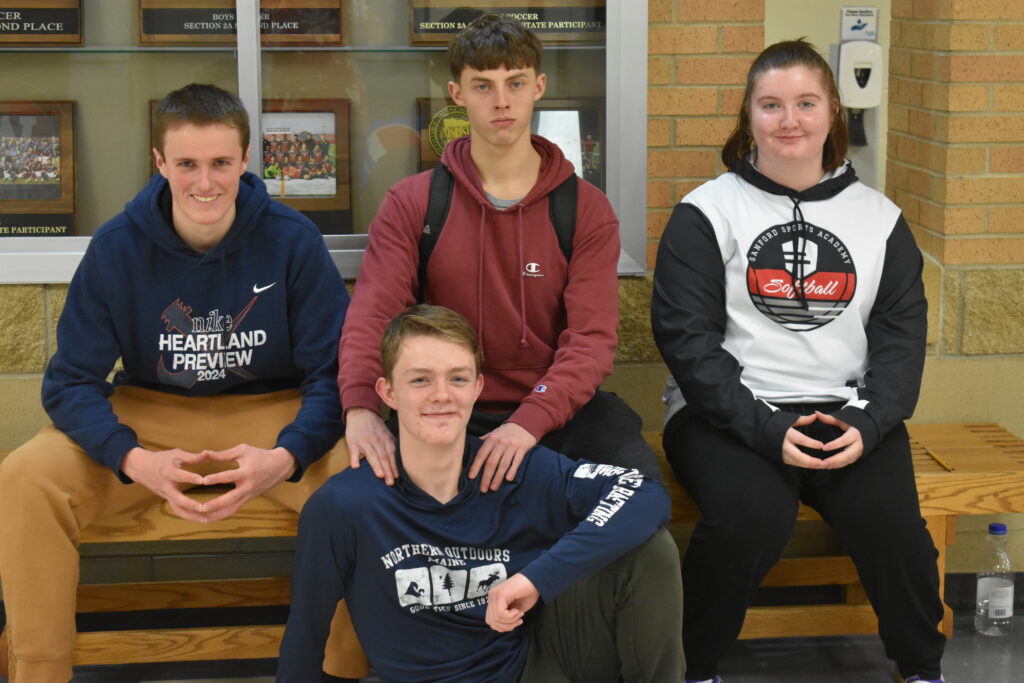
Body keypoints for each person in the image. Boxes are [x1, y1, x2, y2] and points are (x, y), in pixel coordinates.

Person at [0, 84, 367, 683]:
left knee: (372, 477)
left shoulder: (292, 239)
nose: (205, 182)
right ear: (160, 162)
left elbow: (335, 374)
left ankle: (340, 668)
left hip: (272, 414)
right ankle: (40, 672)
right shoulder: (117, 246)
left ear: (246, 161)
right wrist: (132, 459)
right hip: (150, 415)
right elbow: (70, 383)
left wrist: (287, 456)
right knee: (23, 478)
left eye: (221, 163)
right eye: (187, 164)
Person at [651, 40, 946, 683]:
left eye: (806, 103)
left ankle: (921, 667)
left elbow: (901, 344)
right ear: (748, 116)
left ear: (833, 112)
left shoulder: (881, 221)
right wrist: (763, 427)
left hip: (844, 410)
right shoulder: (707, 212)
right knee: (750, 518)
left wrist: (869, 424)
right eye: (771, 104)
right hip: (725, 414)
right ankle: (690, 668)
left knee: (893, 524)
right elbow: (687, 343)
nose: (790, 120)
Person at [338, 13, 659, 494]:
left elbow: (591, 340)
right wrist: (362, 406)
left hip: (555, 408)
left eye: (515, 82)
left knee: (642, 499)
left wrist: (529, 422)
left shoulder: (586, 209)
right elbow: (373, 317)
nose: (502, 101)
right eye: (483, 86)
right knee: (361, 503)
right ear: (457, 94)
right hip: (448, 408)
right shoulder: (414, 202)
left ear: (539, 86)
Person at [278, 304, 683, 682]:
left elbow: (644, 492)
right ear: (387, 393)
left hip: (532, 666)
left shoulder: (514, 469)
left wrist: (536, 579)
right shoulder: (343, 505)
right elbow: (305, 636)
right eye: (420, 380)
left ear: (477, 387)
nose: (441, 395)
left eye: (457, 378)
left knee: (649, 549)